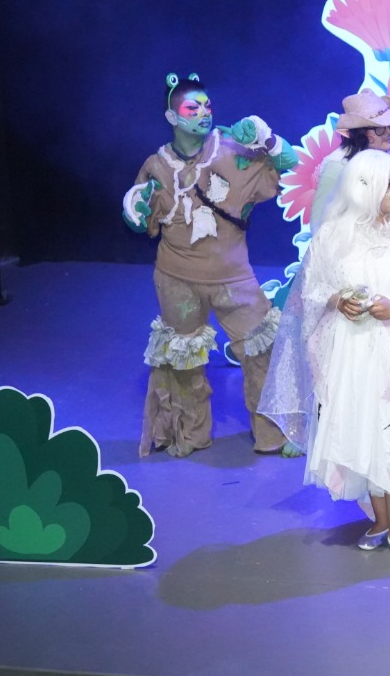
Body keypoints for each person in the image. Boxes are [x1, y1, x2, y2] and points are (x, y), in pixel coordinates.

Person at [261, 150, 390, 562]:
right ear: (362, 187)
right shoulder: (334, 234)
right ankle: (379, 519)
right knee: (361, 433)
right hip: (350, 355)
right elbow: (313, 287)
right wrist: (338, 300)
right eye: (386, 183)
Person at [122, 73, 297, 458]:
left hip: (233, 277)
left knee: (261, 350)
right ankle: (188, 434)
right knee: (182, 359)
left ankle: (275, 434)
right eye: (192, 108)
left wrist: (268, 139)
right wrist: (133, 210)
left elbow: (294, 167)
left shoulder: (233, 150)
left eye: (207, 106)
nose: (203, 113)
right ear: (172, 117)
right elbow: (143, 220)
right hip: (176, 278)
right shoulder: (156, 165)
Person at [310, 89, 390, 229]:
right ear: (360, 134)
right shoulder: (338, 166)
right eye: (379, 129)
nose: (389, 132)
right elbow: (319, 223)